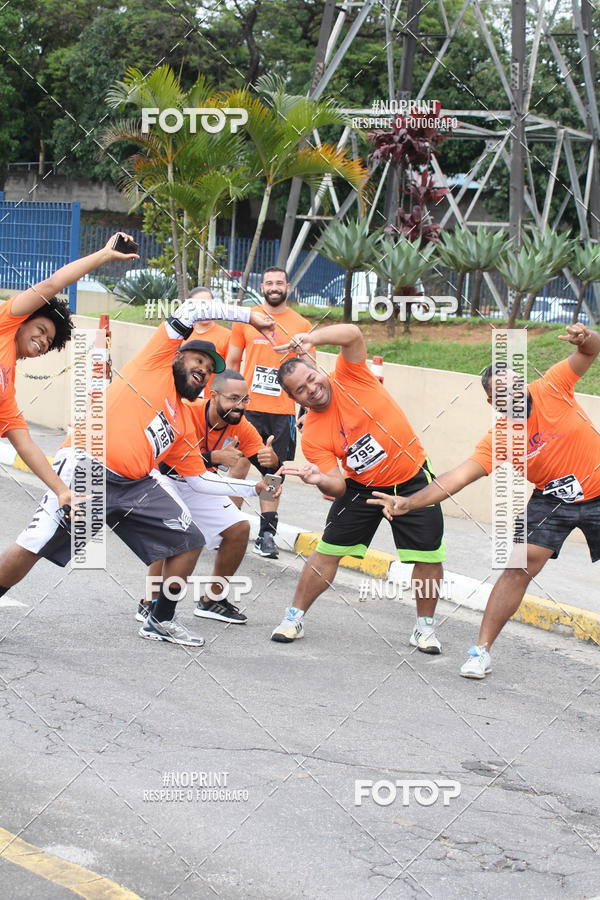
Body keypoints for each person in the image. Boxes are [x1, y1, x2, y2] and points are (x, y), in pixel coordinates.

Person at [0, 293, 276, 647]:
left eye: (209, 370)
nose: (204, 370)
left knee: (188, 539)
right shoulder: (154, 362)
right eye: (198, 360)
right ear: (178, 356)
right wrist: (249, 316)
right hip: (89, 468)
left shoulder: (181, 419)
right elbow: (193, 309)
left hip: (135, 485)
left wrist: (252, 489)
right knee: (35, 544)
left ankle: (161, 620)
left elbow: (198, 480)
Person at [368, 323, 600, 679]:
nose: (513, 393)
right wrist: (410, 502)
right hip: (551, 500)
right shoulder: (500, 437)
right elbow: (459, 476)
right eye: (501, 392)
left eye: (515, 384)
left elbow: (589, 351)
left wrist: (587, 338)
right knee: (518, 566)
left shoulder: (552, 386)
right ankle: (481, 652)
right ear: (493, 402)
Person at [272, 324, 445, 650]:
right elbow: (337, 486)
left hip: (412, 479)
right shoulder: (313, 435)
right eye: (300, 390)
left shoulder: (351, 375)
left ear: (319, 370)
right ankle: (293, 617)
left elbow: (352, 334)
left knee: (428, 557)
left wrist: (312, 338)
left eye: (311, 378)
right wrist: (319, 480)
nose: (312, 389)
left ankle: (424, 629)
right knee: (327, 551)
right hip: (362, 488)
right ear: (294, 399)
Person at [1, 232, 138, 509]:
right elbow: (53, 284)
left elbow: (26, 446)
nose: (42, 341)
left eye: (49, 341)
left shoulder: (7, 395)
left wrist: (62, 491)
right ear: (23, 321)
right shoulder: (6, 323)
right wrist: (104, 255)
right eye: (41, 330)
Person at [137, 368, 280, 626]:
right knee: (176, 528)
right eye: (233, 398)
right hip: (164, 479)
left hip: (202, 484)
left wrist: (273, 464)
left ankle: (212, 600)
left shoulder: (243, 428)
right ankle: (151, 601)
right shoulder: (186, 412)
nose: (240, 406)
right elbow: (166, 464)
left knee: (239, 528)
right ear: (213, 395)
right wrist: (213, 458)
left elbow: (272, 476)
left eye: (245, 400)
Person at [226, 267, 312, 559]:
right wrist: (230, 402)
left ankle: (266, 535)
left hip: (282, 412)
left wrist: (306, 411)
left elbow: (310, 370)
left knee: (273, 473)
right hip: (247, 409)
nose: (274, 287)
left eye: (279, 283)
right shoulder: (246, 319)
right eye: (269, 283)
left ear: (288, 286)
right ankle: (228, 527)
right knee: (237, 466)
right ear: (262, 286)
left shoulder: (301, 324)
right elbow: (233, 362)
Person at [188, 285, 231, 398]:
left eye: (208, 304)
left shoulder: (227, 336)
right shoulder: (183, 335)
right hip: (184, 401)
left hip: (211, 403)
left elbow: (230, 374)